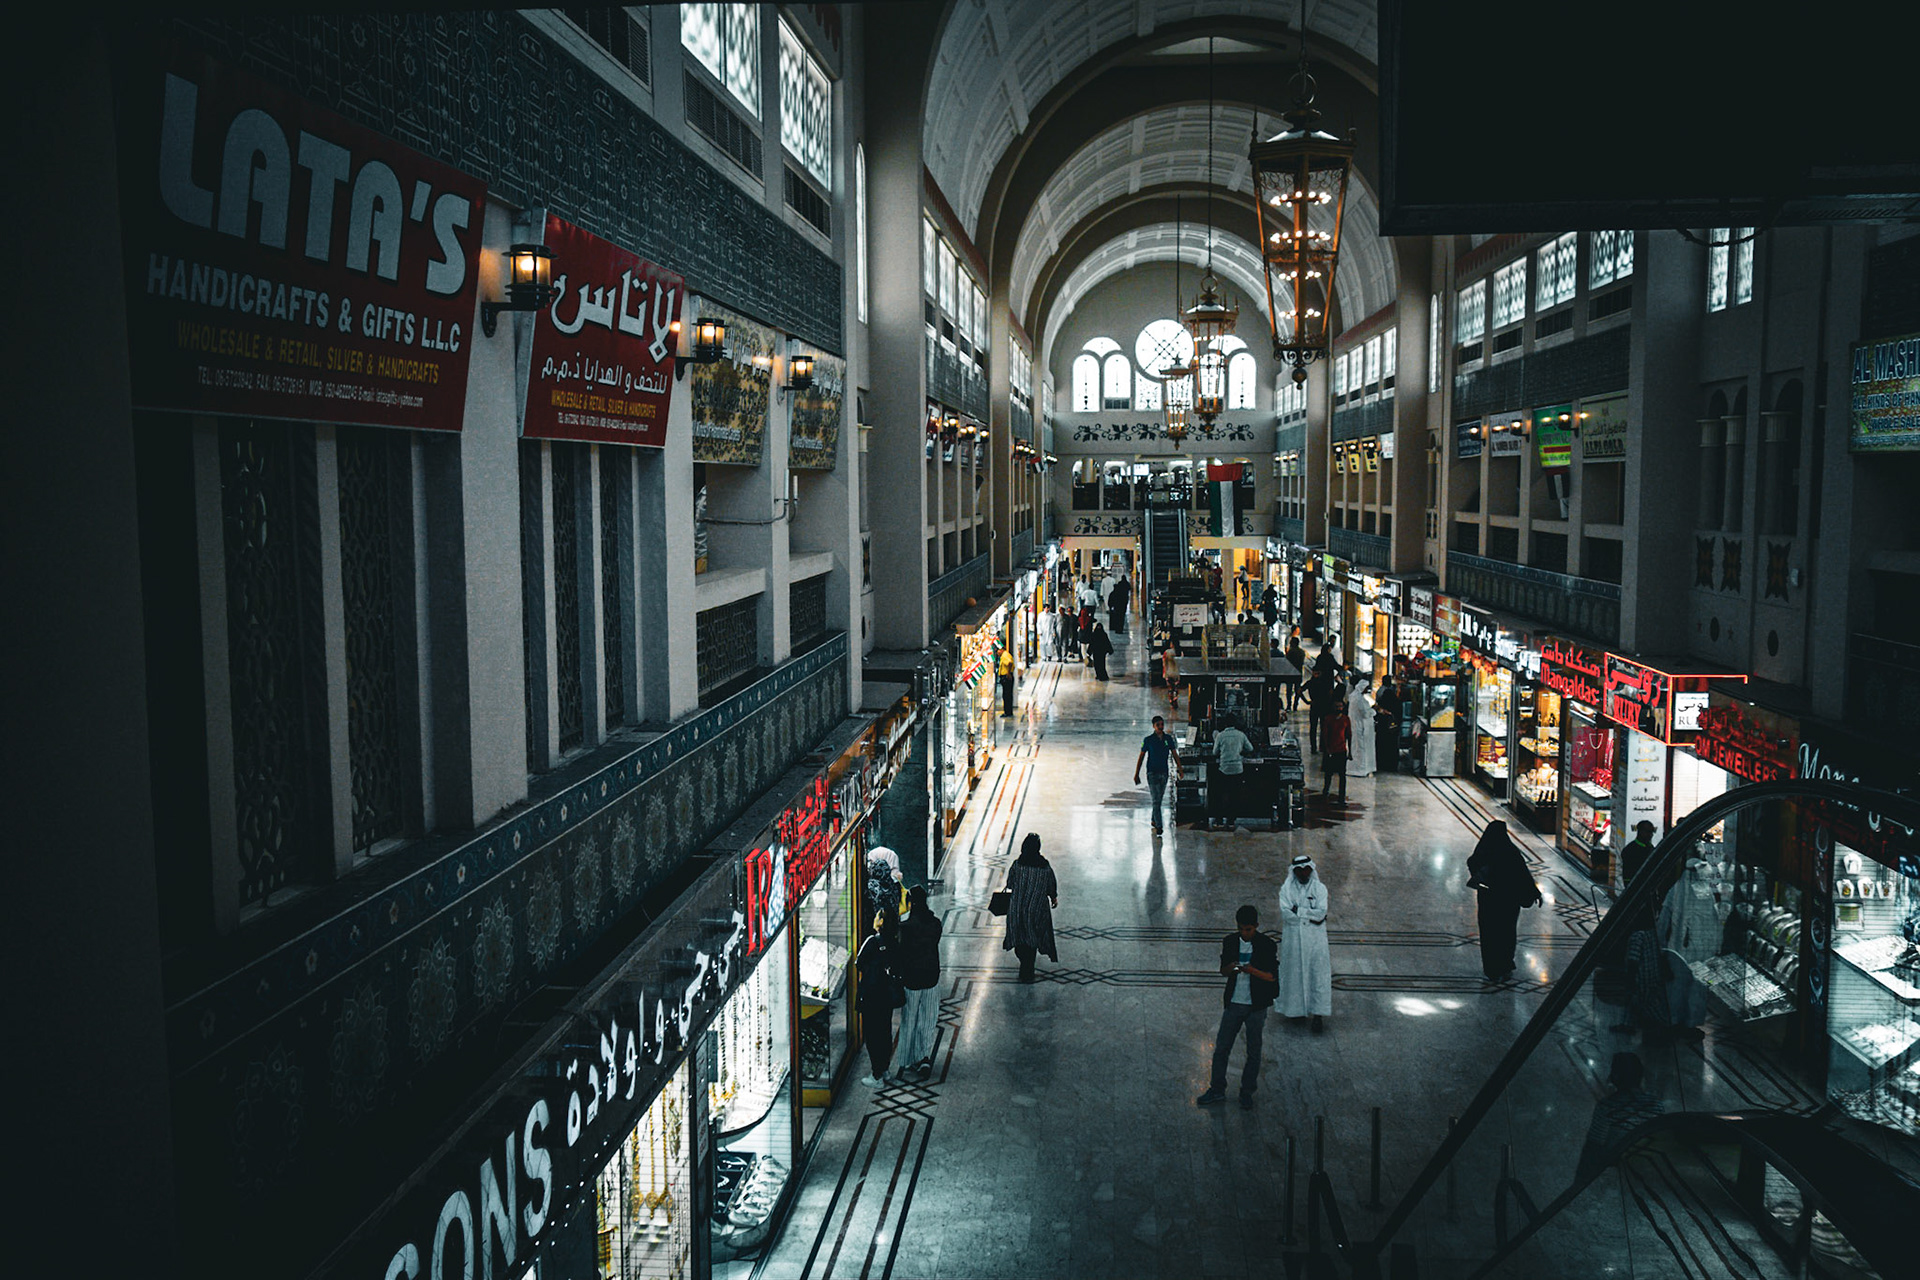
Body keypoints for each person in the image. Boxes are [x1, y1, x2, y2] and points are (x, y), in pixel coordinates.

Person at [1197, 905, 1278, 1108]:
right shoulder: (1230, 942)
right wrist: (1233, 967)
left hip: (1256, 1006)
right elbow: (1223, 971)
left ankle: (1247, 1092)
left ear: (1256, 926)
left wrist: (1251, 971)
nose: (1245, 933)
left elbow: (1271, 976)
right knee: (1222, 1048)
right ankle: (1217, 1089)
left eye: (1248, 929)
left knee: (1253, 1051)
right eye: (1241, 929)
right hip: (1234, 1003)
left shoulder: (1267, 945)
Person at [1467, 819, 1543, 981]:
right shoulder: (1510, 852)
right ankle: (1505, 963)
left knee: (1489, 934)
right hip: (1508, 901)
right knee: (1506, 933)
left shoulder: (1483, 850)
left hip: (1488, 900)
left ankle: (1491, 967)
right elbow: (1523, 876)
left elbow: (1472, 862)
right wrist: (1535, 893)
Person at [1574, 1053, 1666, 1184]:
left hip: (1614, 1175)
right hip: (1644, 1171)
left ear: (1615, 1076)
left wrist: (1580, 1181)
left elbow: (1593, 1148)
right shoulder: (1656, 1106)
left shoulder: (1607, 1107)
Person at [890, 884, 943, 1081]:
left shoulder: (905, 928)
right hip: (931, 977)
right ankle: (924, 1056)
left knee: (909, 1018)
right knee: (928, 1019)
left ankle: (906, 1058)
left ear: (910, 902)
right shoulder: (936, 923)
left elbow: (901, 953)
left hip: (911, 979)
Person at [1277, 855, 1332, 1032]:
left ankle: (1318, 1015)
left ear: (1311, 869)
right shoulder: (1286, 889)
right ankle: (1297, 1011)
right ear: (1294, 871)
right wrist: (1309, 914)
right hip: (1294, 940)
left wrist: (1299, 910)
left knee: (1317, 975)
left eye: (1306, 869)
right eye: (1299, 870)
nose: (1303, 873)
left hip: (1316, 941)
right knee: (1295, 975)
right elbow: (1286, 914)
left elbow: (1321, 913)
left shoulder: (1320, 888)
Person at [1002, 833, 1058, 982]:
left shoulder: (1017, 864)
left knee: (1020, 937)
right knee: (1032, 937)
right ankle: (1028, 968)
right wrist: (1053, 897)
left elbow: (1010, 883)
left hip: (1018, 909)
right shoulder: (1044, 866)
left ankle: (1025, 964)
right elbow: (1050, 884)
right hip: (1037, 909)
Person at [855, 906, 901, 1085]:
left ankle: (876, 1075)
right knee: (885, 1032)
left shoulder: (872, 941)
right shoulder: (894, 942)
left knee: (872, 1035)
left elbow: (859, 963)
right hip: (887, 996)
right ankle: (885, 1069)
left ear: (880, 921)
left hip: (871, 996)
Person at [1134, 714, 1182, 835]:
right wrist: (1137, 773)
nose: (1161, 727)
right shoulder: (1148, 740)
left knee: (1158, 799)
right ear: (1153, 726)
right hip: (1152, 772)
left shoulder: (1168, 739)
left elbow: (1175, 754)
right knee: (1156, 800)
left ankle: (1154, 820)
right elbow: (1141, 756)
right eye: (1158, 725)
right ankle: (1159, 826)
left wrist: (1180, 768)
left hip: (1164, 772)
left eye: (1162, 724)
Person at [1320, 701, 1351, 803]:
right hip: (1331, 750)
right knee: (1328, 774)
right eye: (1337, 706)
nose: (1339, 708)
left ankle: (1341, 797)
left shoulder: (1346, 719)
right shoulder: (1328, 719)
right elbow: (1324, 735)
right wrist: (1326, 748)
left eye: (1340, 706)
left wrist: (1350, 751)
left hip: (1341, 750)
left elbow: (1349, 735)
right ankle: (1325, 792)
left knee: (1342, 775)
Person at [1345, 679, 1376, 779]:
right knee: (1360, 748)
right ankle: (1360, 769)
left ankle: (1356, 768)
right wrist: (1374, 711)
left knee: (1356, 747)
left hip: (1355, 726)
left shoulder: (1354, 696)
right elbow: (1365, 713)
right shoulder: (1359, 699)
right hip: (1359, 727)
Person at [1306, 661, 1337, 750]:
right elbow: (1331, 693)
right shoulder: (1325, 683)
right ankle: (1321, 746)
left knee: (1315, 728)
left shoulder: (1311, 682)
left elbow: (1300, 691)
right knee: (1321, 727)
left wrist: (1308, 701)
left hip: (1316, 707)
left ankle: (1314, 747)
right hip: (1322, 707)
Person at [1374, 679, 1402, 773]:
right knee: (1392, 748)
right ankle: (1392, 765)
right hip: (1393, 731)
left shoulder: (1382, 704)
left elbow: (1376, 715)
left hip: (1383, 730)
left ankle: (1381, 764)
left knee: (1382, 747)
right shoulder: (1397, 703)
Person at [1621, 821, 1658, 886]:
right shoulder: (1630, 850)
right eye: (1648, 832)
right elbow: (1628, 876)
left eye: (1652, 832)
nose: (1651, 835)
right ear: (1640, 831)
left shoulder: (1651, 848)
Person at [1284, 637, 1309, 712]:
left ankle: (1289, 705)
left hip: (1290, 673)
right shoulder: (1301, 652)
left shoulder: (1291, 652)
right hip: (1298, 673)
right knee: (1298, 690)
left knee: (1289, 690)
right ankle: (1295, 705)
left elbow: (1287, 662)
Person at [998, 645, 1016, 716]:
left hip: (1006, 678)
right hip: (1006, 677)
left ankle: (1007, 712)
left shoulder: (1005, 655)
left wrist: (1008, 673)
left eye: (998, 651)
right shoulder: (1005, 655)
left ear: (1002, 650)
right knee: (1007, 695)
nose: (997, 653)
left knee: (1006, 695)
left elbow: (1009, 663)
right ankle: (1008, 712)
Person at [1162, 644, 1181, 713]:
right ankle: (1175, 699)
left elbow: (1164, 663)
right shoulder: (1179, 652)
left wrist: (1165, 673)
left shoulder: (1166, 652)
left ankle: (1172, 701)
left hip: (1169, 673)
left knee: (1170, 689)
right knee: (1176, 689)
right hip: (1176, 673)